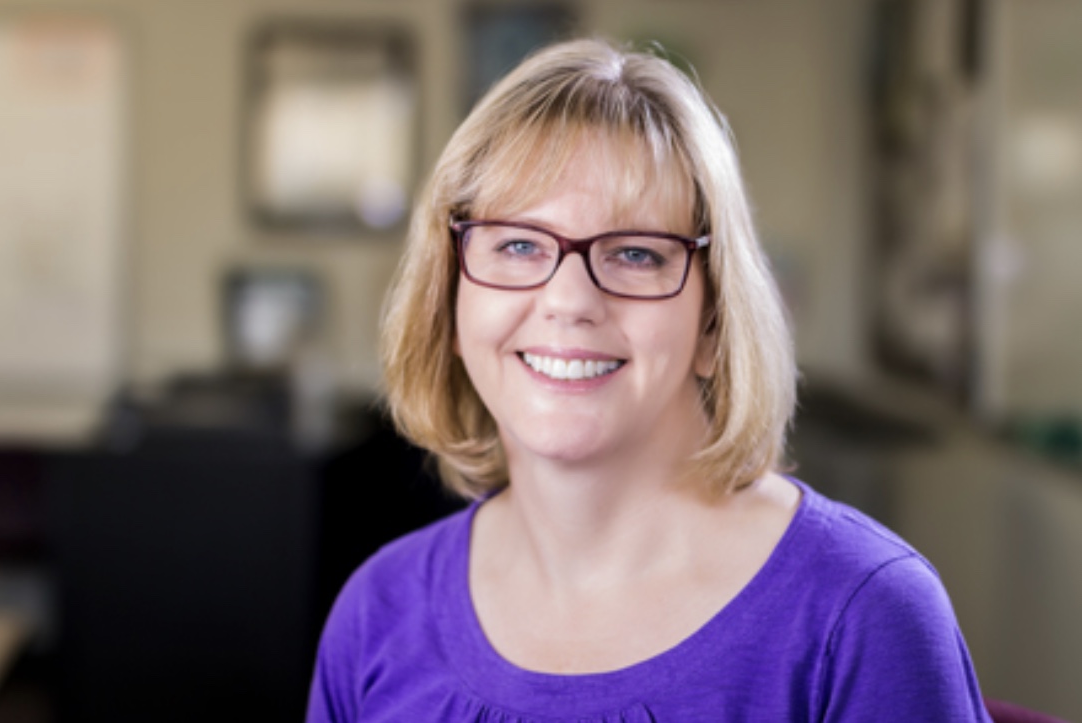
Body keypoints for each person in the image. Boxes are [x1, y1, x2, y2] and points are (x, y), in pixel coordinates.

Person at [307, 38, 993, 722]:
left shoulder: (863, 614)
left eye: (636, 252)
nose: (568, 299)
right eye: (517, 244)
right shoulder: (376, 611)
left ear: (713, 323)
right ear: (450, 301)